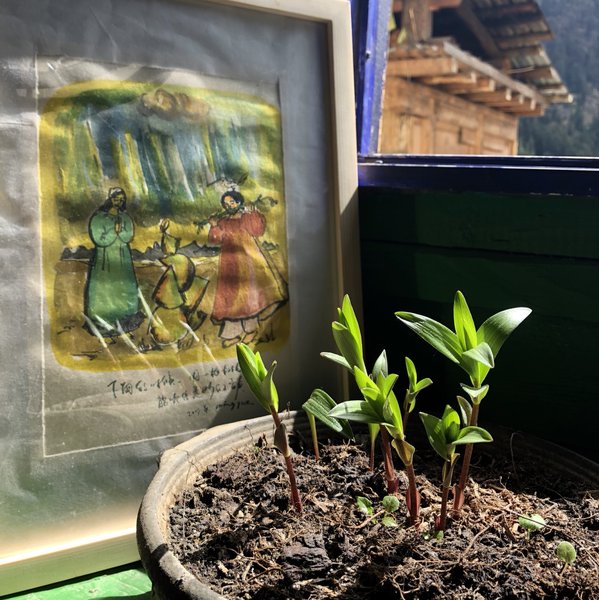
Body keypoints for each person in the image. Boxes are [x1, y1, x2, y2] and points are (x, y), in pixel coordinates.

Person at [208, 190, 287, 347]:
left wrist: (253, 214)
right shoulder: (223, 221)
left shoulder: (246, 218)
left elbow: (258, 230)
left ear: (239, 202)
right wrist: (214, 226)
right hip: (229, 264)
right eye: (226, 204)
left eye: (232, 202)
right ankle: (233, 334)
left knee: (249, 297)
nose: (229, 206)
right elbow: (215, 239)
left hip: (248, 263)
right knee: (231, 298)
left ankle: (251, 331)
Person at [84, 187, 143, 336]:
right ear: (110, 199)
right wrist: (113, 231)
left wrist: (120, 232)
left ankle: (125, 316)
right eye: (116, 199)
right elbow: (98, 237)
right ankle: (103, 319)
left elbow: (129, 235)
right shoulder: (99, 218)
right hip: (105, 260)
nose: (119, 202)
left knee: (124, 286)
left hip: (123, 258)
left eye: (122, 200)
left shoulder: (125, 217)